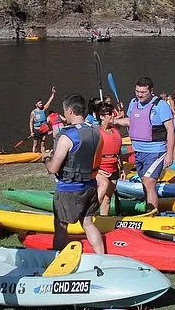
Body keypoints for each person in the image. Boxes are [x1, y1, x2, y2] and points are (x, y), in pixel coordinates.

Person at [43, 94, 106, 253]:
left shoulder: (66, 136)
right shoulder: (96, 132)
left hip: (69, 189)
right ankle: (102, 257)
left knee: (61, 225)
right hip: (90, 186)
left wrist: (46, 159)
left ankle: (56, 259)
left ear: (70, 111)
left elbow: (53, 168)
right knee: (88, 223)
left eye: (65, 111)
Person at [113, 77, 175, 210]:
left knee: (149, 182)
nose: (140, 95)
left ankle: (152, 213)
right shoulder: (133, 103)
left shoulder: (161, 105)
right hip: (138, 151)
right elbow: (130, 121)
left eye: (143, 92)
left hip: (156, 151)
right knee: (144, 183)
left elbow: (170, 129)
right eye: (137, 91)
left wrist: (170, 153)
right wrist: (115, 121)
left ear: (151, 91)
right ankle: (148, 207)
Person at [95, 101, 123, 215]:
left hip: (113, 169)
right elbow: (91, 154)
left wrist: (121, 168)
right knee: (104, 185)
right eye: (109, 113)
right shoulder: (97, 132)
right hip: (99, 169)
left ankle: (103, 221)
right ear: (101, 117)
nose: (113, 115)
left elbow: (119, 151)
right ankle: (88, 214)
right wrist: (96, 170)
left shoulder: (115, 131)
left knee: (107, 198)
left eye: (112, 113)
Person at [28, 86, 56, 154]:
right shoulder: (33, 112)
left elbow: (49, 101)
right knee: (35, 144)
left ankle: (42, 155)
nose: (41, 104)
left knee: (43, 143)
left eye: (41, 103)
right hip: (37, 130)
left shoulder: (43, 109)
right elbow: (31, 122)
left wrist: (53, 94)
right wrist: (31, 132)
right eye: (40, 103)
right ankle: (33, 155)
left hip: (44, 129)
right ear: (36, 104)